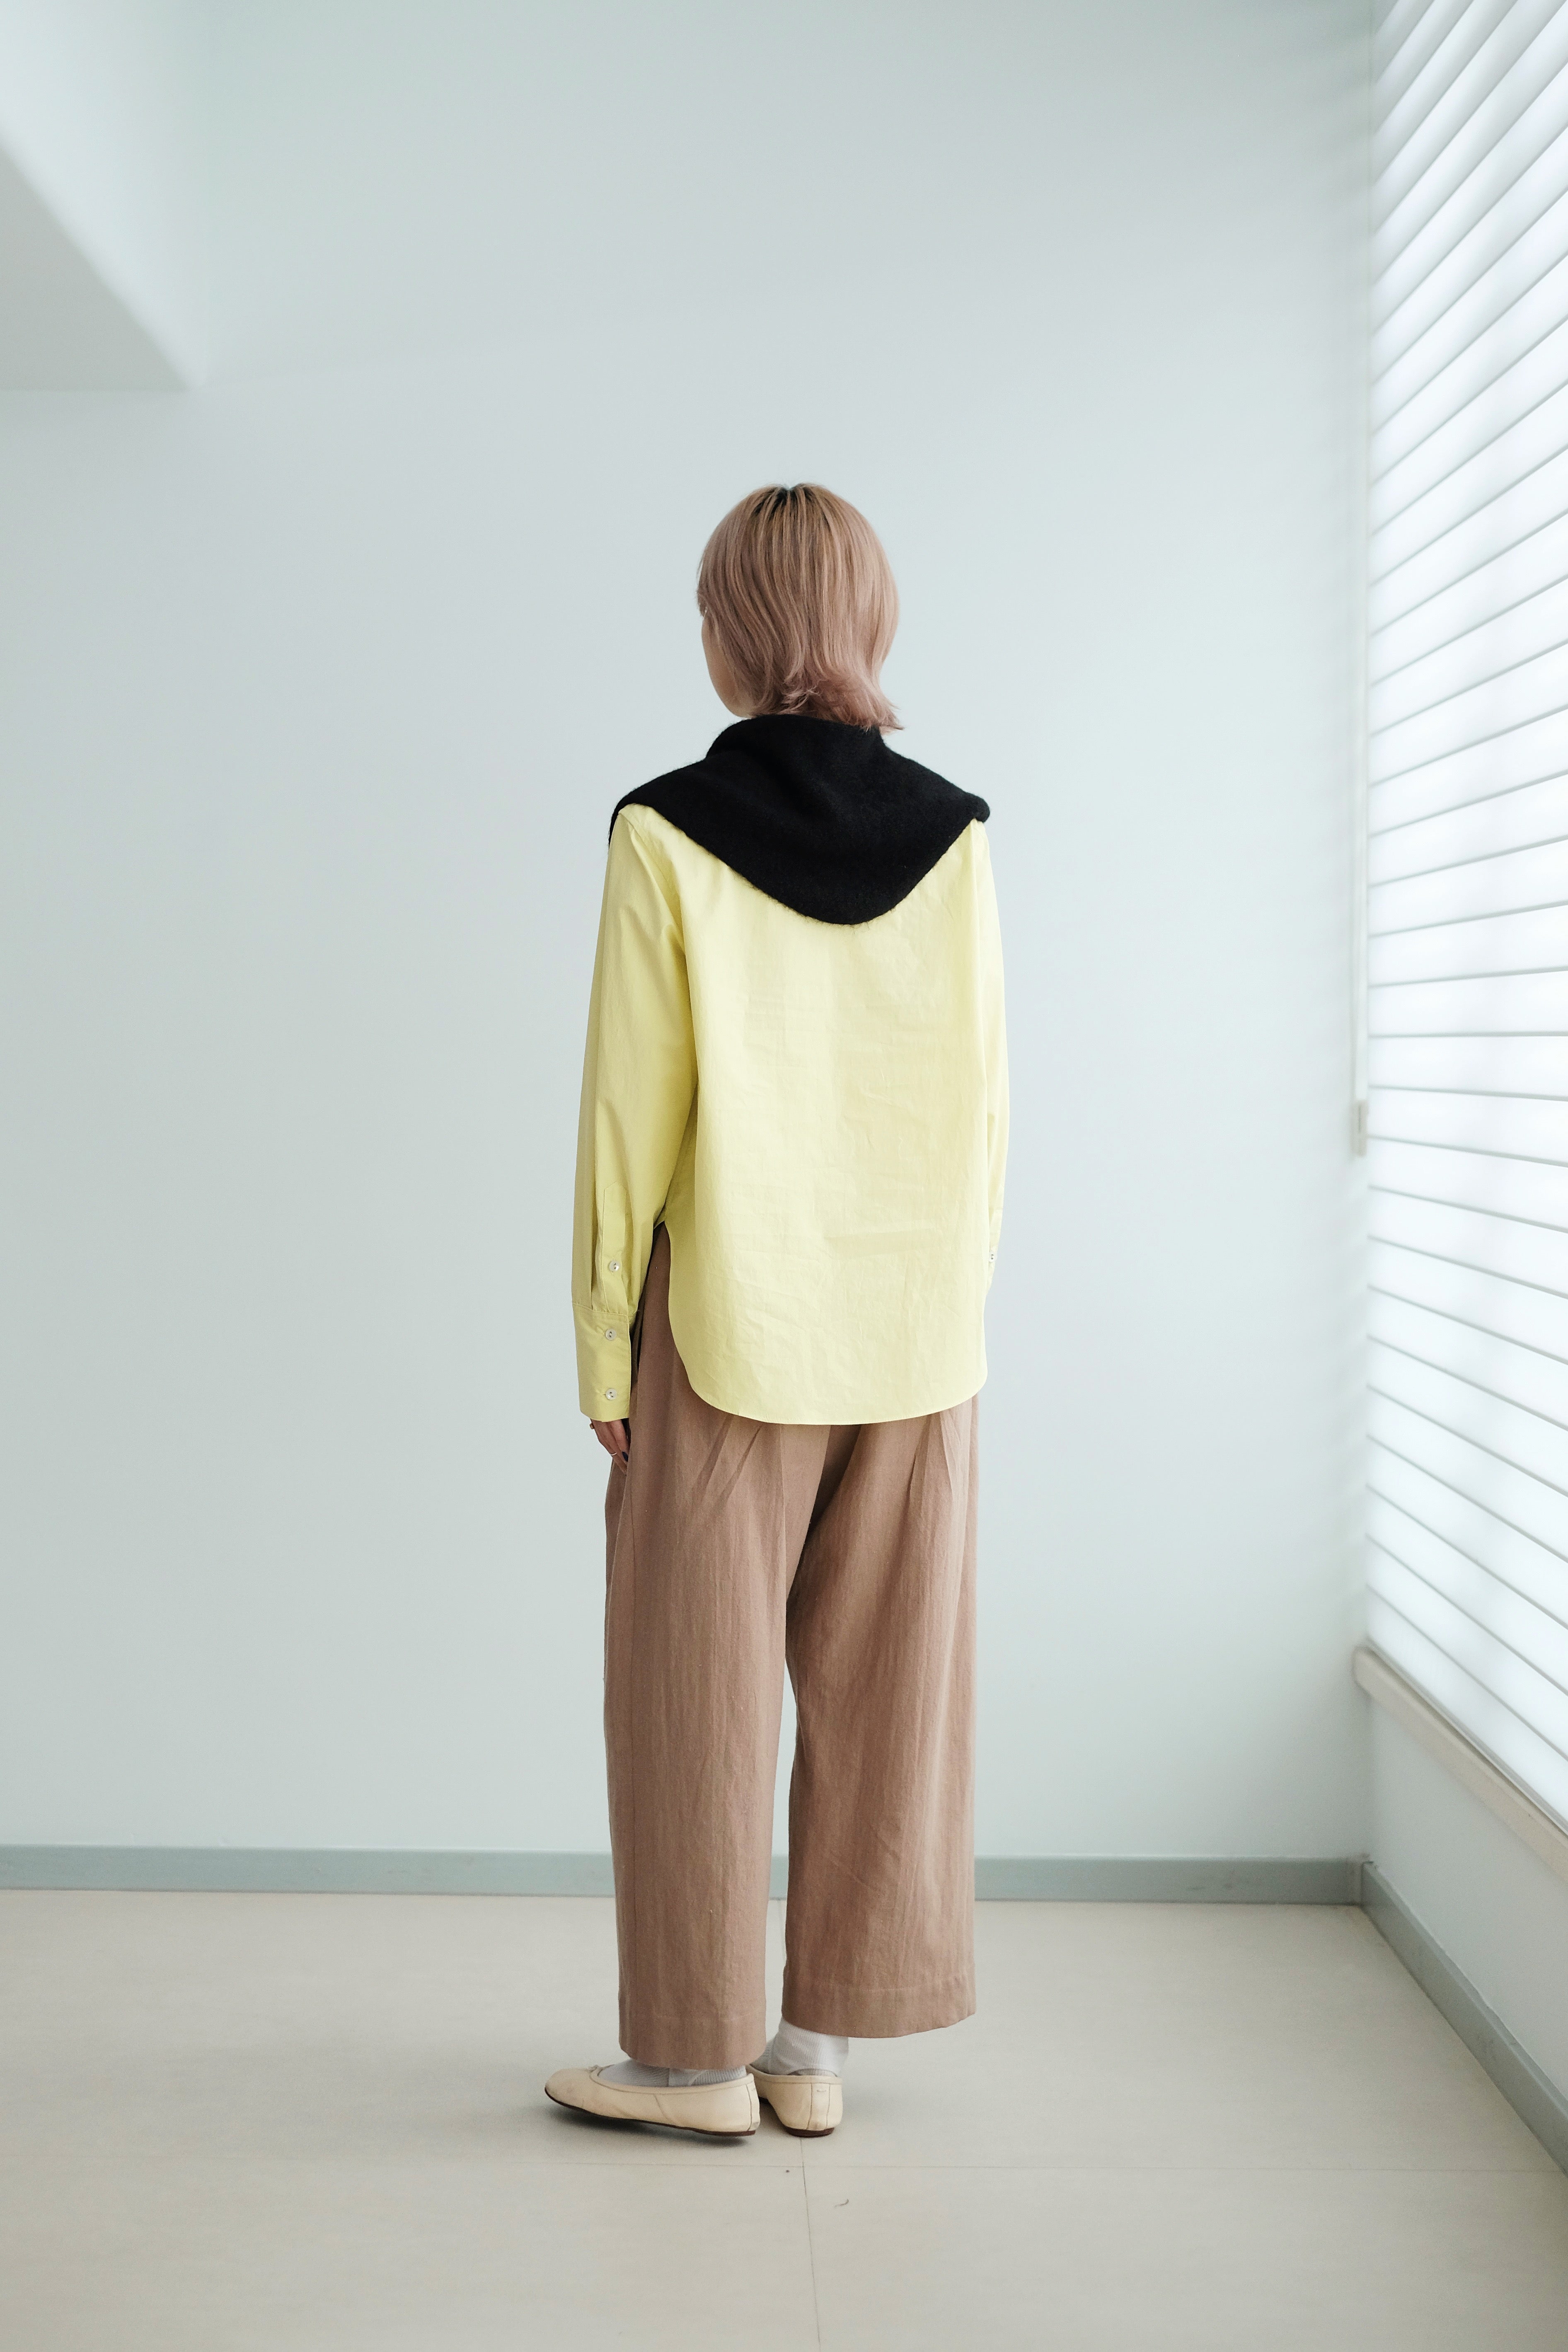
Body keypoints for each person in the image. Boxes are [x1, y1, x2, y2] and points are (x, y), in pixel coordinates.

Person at [546, 482, 1007, 2139]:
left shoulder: (664, 831)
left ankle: (687, 2064)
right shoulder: (956, 833)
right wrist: (959, 1300)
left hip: (727, 1325)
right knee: (891, 1695)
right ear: (869, 619)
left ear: (731, 633)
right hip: (916, 1327)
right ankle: (816, 2054)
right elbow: (985, 1103)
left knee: (692, 1691)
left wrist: (605, 1336)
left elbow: (629, 1114)